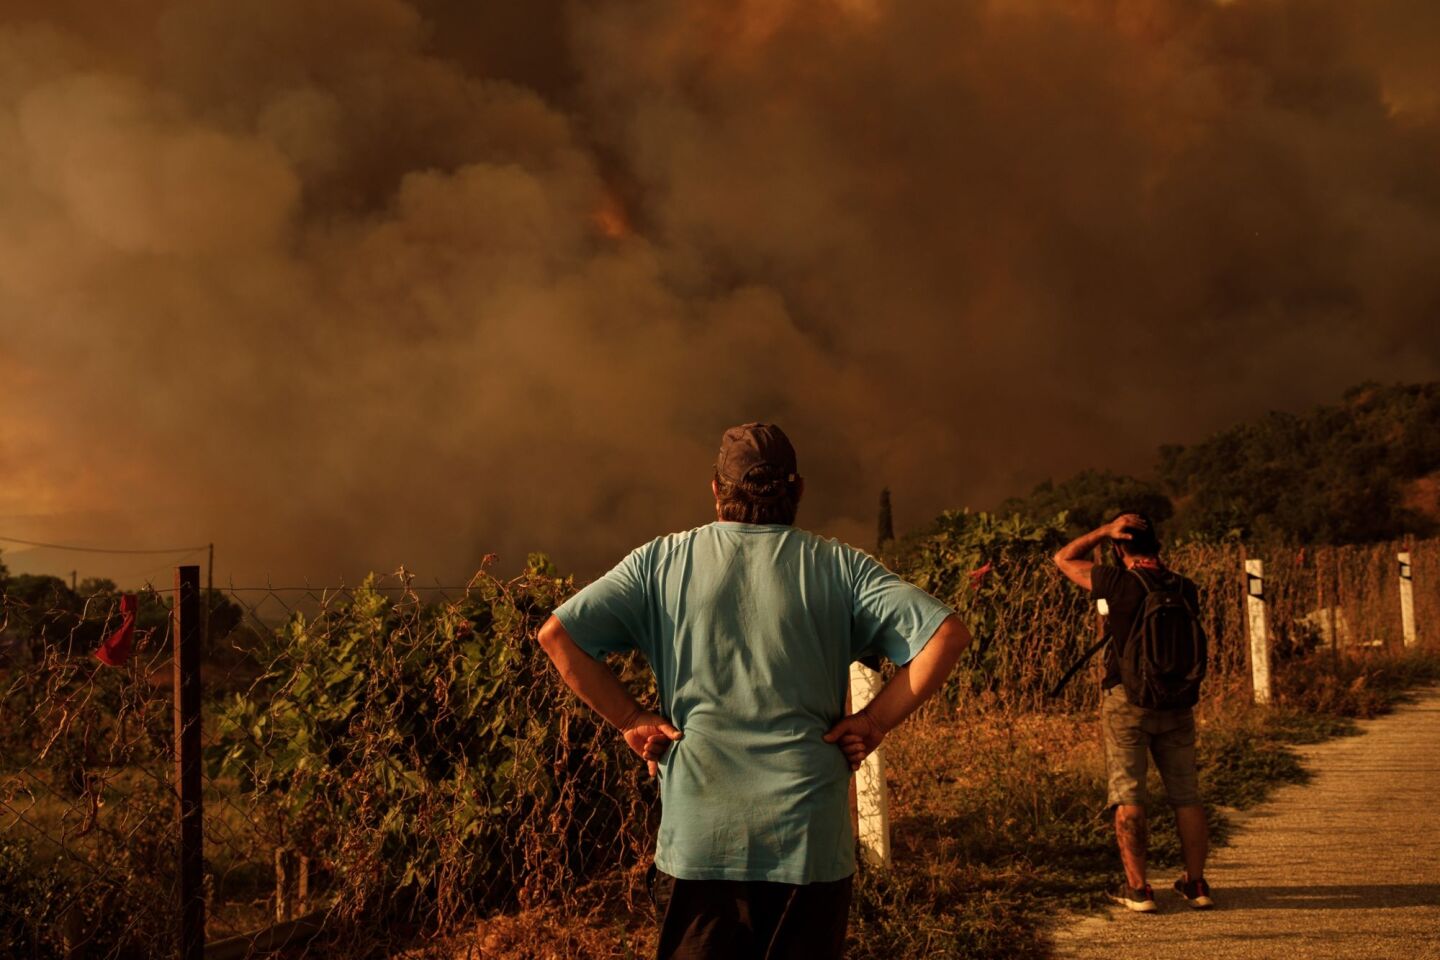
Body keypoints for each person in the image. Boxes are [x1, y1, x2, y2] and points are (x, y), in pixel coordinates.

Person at [536, 422, 971, 959]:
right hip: (808, 846)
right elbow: (946, 634)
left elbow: (557, 635)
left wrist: (631, 719)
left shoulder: (661, 562)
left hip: (700, 842)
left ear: (717, 490)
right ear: (799, 491)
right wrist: (875, 721)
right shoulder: (841, 566)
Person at [1052, 512, 1214, 913]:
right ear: (1157, 546)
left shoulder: (1118, 582)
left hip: (1128, 701)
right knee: (1186, 794)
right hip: (1178, 700)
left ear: (1119, 546)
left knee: (1128, 794)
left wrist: (1103, 531)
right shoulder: (1185, 587)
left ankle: (1138, 890)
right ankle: (1195, 885)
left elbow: (1063, 558)